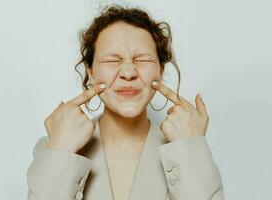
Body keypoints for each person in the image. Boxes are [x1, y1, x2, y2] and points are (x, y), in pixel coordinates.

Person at [27, 4, 225, 200]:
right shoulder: (54, 147)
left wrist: (190, 150)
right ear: (90, 71)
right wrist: (61, 152)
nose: (128, 73)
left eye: (142, 59)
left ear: (161, 70)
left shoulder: (187, 149)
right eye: (112, 60)